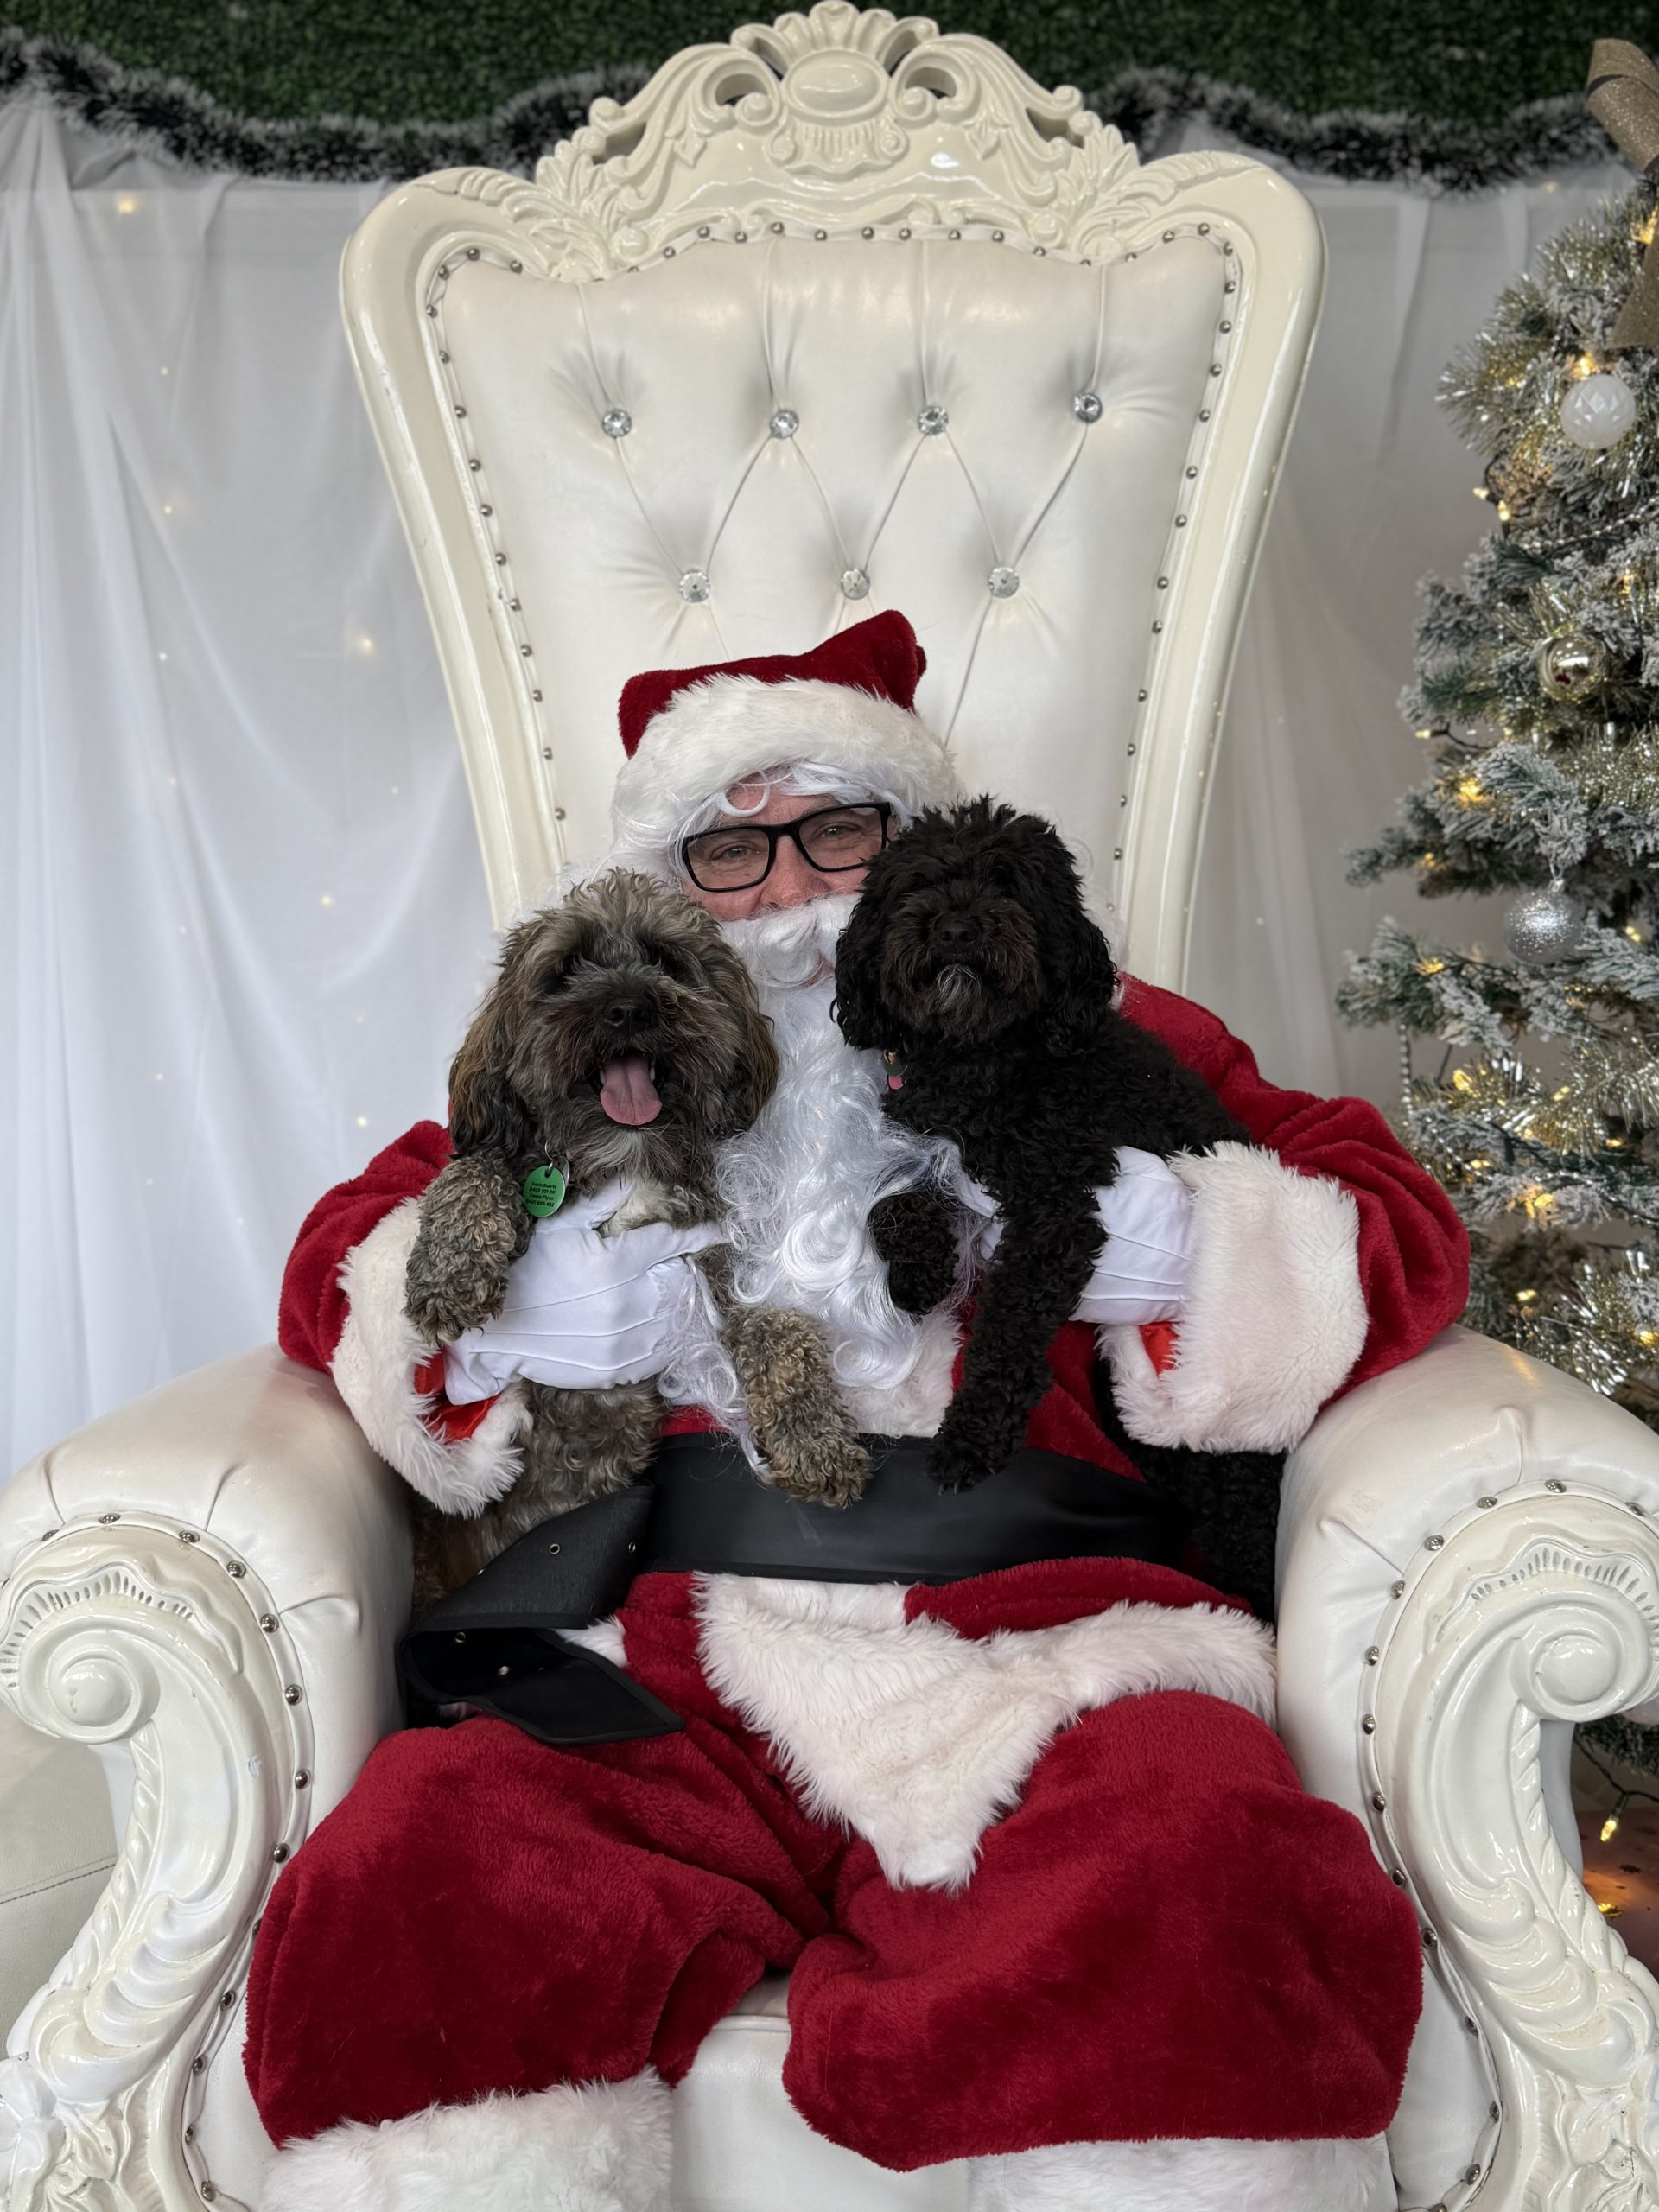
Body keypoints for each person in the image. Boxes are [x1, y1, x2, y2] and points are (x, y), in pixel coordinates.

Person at [253, 611, 1468, 2212]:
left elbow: (1398, 1222)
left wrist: (1195, 1245)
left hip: (1051, 1647)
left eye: (839, 830)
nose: (788, 893)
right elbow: (341, 1256)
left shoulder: (1100, 1023)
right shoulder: (607, 1059)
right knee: (432, 1870)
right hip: (668, 1665)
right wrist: (497, 1318)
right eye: (730, 851)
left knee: (1194, 1863)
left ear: (921, 847)